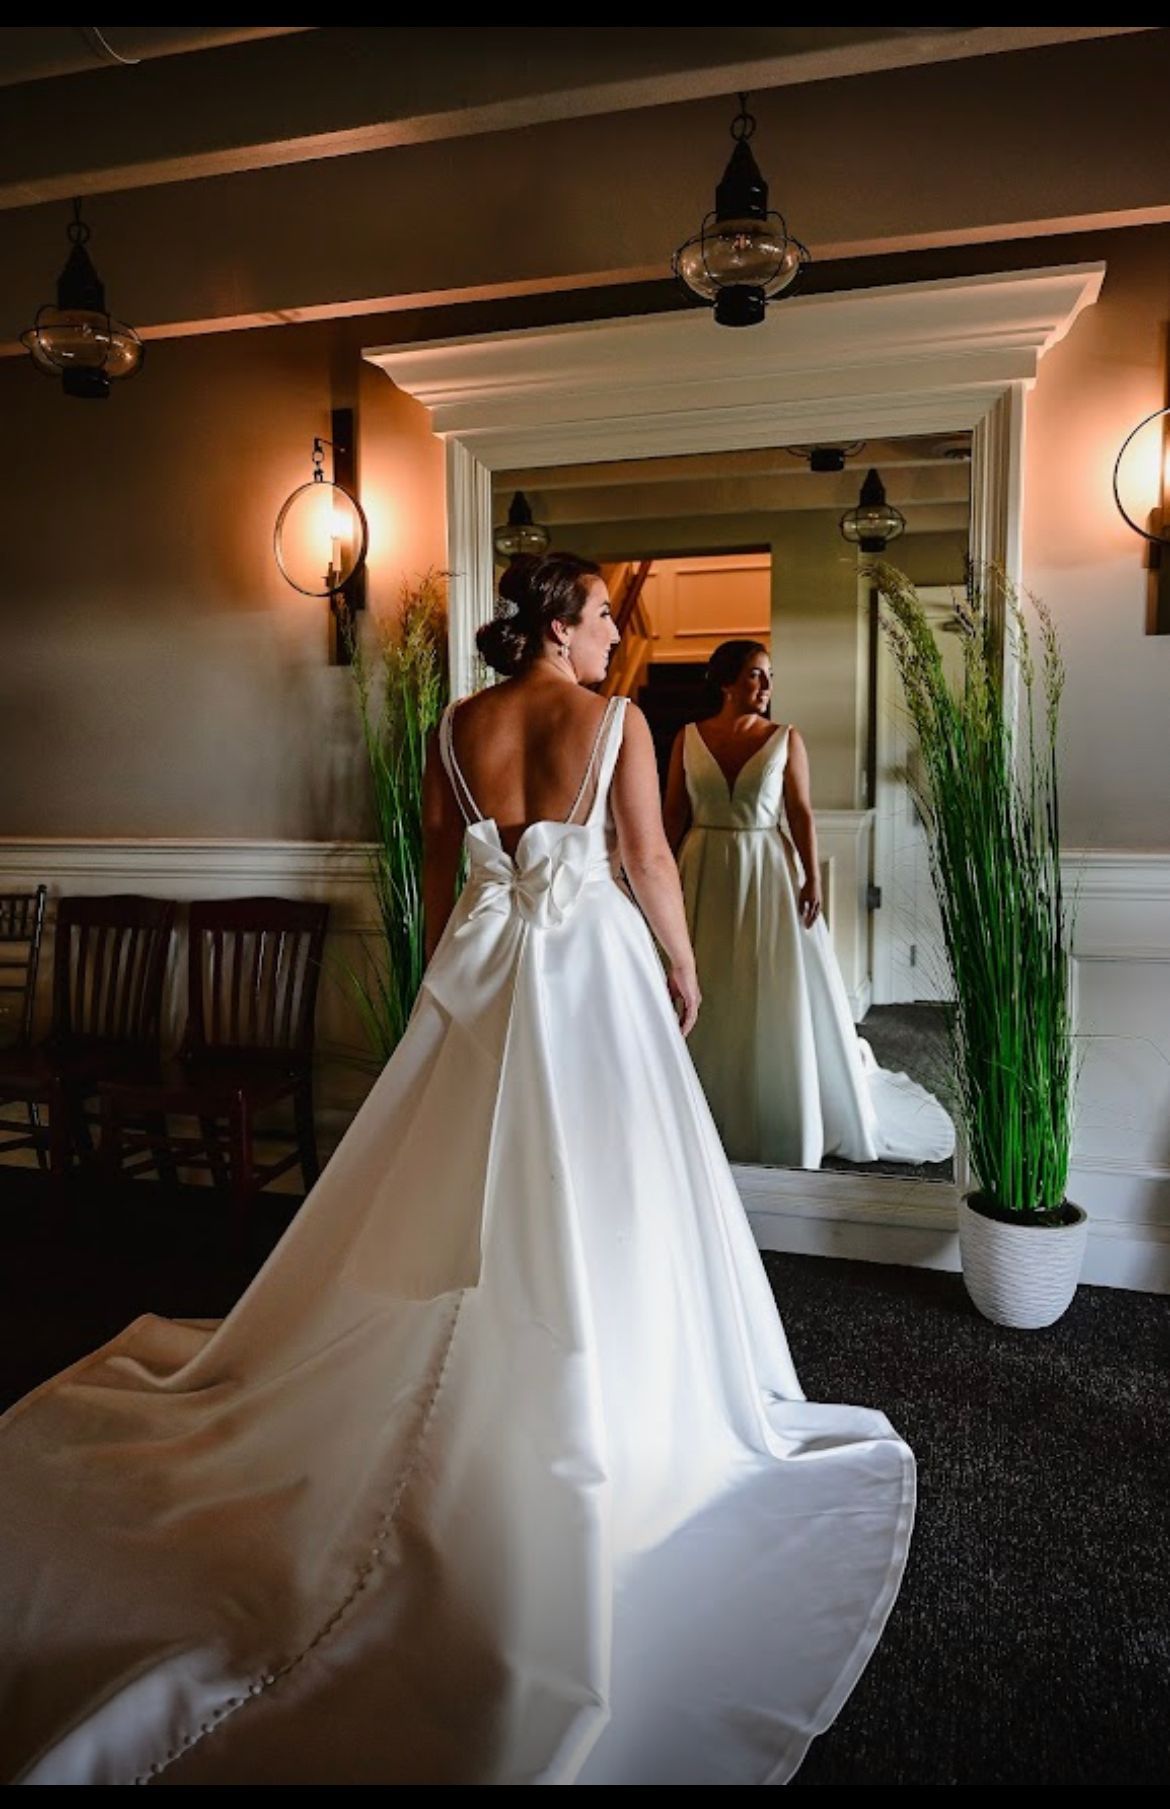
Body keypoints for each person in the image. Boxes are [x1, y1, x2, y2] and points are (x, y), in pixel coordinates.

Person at [0, 557, 913, 1787]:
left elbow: (438, 874)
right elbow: (647, 863)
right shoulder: (618, 724)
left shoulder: (452, 729)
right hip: (589, 977)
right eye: (601, 616)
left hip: (481, 974)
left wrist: (448, 981)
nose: (612, 635)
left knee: (456, 1175)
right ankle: (590, 1395)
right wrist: (682, 968)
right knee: (598, 1185)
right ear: (556, 623)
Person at [664, 639, 955, 1170]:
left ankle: (778, 1106)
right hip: (702, 868)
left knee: (766, 980)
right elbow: (670, 817)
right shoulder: (687, 739)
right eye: (755, 675)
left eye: (770, 675)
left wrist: (811, 879)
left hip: (768, 869)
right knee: (710, 977)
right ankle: (698, 1109)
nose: (767, 686)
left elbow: (800, 813)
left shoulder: (785, 739)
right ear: (726, 681)